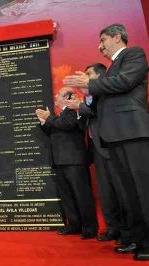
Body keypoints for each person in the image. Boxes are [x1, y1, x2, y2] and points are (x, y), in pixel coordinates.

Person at [63, 23, 149, 260]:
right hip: (112, 137)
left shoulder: (134, 55)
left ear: (117, 37)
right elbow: (97, 106)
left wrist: (89, 85)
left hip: (133, 132)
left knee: (145, 190)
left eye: (103, 41)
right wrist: (88, 94)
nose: (100, 47)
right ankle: (138, 238)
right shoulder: (110, 71)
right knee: (128, 193)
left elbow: (125, 83)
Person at [65, 63, 123, 243]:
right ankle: (113, 228)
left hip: (111, 146)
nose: (84, 77)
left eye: (88, 74)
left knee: (120, 190)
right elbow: (85, 124)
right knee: (105, 193)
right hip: (97, 150)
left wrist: (80, 106)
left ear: (100, 76)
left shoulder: (107, 93)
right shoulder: (88, 97)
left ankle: (128, 230)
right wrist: (80, 106)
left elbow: (97, 112)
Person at [36, 87, 98, 239]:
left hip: (74, 161)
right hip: (60, 160)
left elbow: (67, 124)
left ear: (68, 98)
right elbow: (54, 132)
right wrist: (44, 122)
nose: (55, 96)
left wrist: (49, 118)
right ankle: (74, 225)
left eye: (58, 94)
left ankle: (89, 229)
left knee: (82, 195)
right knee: (67, 196)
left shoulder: (73, 111)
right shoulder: (60, 115)